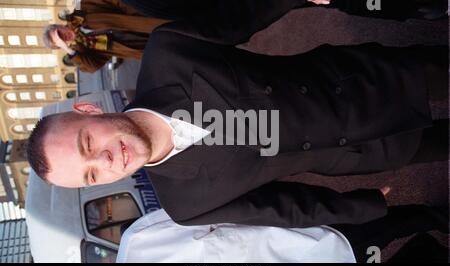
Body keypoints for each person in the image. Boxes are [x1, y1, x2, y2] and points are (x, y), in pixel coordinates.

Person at [28, 0, 448, 229]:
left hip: (368, 80)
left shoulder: (168, 52)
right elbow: (282, 208)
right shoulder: (185, 205)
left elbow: (239, 16)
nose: (104, 161)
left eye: (88, 144)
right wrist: (363, 206)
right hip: (368, 152)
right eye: (91, 176)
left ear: (88, 109)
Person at [116, 198, 448, 263]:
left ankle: (436, 217)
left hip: (304, 239)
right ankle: (429, 250)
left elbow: (220, 209)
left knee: (384, 227)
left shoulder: (141, 243)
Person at [42, 0, 169, 73]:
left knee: (181, 23)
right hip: (146, 46)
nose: (64, 37)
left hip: (145, 21)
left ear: (59, 25)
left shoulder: (82, 10)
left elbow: (116, 2)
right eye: (60, 41)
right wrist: (69, 50)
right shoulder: (84, 49)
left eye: (59, 33)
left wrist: (139, 13)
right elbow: (92, 67)